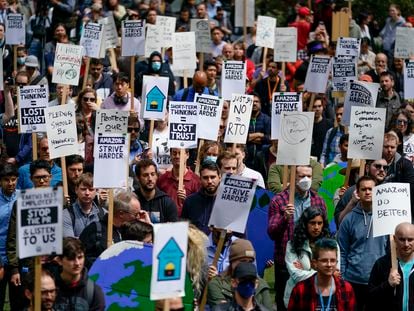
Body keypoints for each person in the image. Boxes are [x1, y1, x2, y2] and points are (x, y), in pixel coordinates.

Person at [268, 165, 326, 311]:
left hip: (310, 262)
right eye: (301, 176)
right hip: (284, 262)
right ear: (293, 178)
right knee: (285, 302)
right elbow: (272, 233)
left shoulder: (318, 200)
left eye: (309, 176)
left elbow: (324, 230)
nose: (305, 179)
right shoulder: (279, 201)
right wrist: (284, 218)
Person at [7, 160, 53, 310]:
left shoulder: (59, 202)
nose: (41, 180)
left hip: (50, 266)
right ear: (31, 179)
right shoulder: (21, 203)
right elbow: (13, 237)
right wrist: (14, 269)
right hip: (27, 266)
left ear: (50, 177)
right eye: (37, 177)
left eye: (45, 177)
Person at [338, 176, 388, 311]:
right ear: (357, 193)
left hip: (379, 281)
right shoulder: (348, 220)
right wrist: (341, 278)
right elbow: (342, 251)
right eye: (363, 189)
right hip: (353, 280)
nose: (367, 192)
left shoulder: (387, 217)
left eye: (371, 189)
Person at [80, 190, 148, 268]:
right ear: (121, 214)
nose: (138, 217)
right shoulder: (94, 230)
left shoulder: (132, 231)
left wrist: (146, 225)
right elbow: (85, 261)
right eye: (136, 214)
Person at [284, 206, 334, 307]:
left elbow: (335, 274)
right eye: (312, 223)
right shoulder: (292, 245)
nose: (316, 227)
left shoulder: (332, 245)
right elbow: (296, 275)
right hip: (298, 297)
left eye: (319, 223)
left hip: (323, 296)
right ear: (305, 224)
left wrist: (306, 272)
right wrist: (323, 272)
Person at [288, 238, 356, 310]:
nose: (329, 264)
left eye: (333, 260)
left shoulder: (346, 288)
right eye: (324, 260)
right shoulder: (300, 289)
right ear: (315, 263)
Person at [208, 239, 272, 309]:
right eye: (243, 261)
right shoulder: (217, 284)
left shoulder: (261, 285)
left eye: (250, 262)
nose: (246, 265)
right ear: (232, 262)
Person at [368, 222, 414, 311]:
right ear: (394, 239)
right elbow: (371, 297)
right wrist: (387, 284)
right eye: (402, 239)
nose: (406, 244)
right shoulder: (382, 264)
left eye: (410, 239)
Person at [53, 237, 105, 310]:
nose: (77, 263)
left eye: (80, 257)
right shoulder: (50, 288)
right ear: (59, 260)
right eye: (71, 258)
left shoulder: (94, 291)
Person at [334, 158, 389, 227]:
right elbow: (339, 222)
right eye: (377, 166)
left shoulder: (389, 192)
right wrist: (352, 202)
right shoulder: (352, 191)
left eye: (385, 167)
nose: (382, 170)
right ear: (367, 168)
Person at [182, 161, 221, 235]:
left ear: (219, 177)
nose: (209, 181)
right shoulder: (190, 201)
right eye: (205, 178)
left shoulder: (227, 202)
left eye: (213, 177)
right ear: (200, 179)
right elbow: (183, 231)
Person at [157, 148, 200, 216]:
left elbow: (198, 207)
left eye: (180, 153)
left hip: (186, 222)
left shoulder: (196, 180)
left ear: (187, 155)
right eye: (174, 153)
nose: (177, 156)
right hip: (166, 222)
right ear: (170, 155)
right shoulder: (162, 179)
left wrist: (187, 200)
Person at [62, 173, 106, 238]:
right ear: (76, 190)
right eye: (83, 189)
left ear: (96, 191)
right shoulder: (66, 215)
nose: (87, 193)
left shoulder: (104, 214)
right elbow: (70, 244)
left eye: (91, 189)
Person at [134, 159, 178, 223]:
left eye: (152, 174)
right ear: (138, 178)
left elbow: (174, 229)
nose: (150, 179)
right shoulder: (133, 200)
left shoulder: (167, 202)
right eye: (145, 175)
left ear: (157, 176)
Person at [0, 163, 18, 310]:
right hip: (0, 257)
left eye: (13, 179)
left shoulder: (23, 197)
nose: (11, 183)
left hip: (16, 260)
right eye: (7, 179)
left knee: (17, 302)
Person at [246, 93, 271, 172]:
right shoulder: (243, 119)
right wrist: (258, 134)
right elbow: (240, 137)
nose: (254, 103)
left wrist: (249, 138)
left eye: (257, 101)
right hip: (246, 159)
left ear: (260, 104)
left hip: (262, 160)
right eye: (252, 102)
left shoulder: (267, 119)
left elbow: (269, 138)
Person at [310, 95, 333, 162]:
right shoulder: (307, 125)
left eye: (319, 106)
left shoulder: (329, 124)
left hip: (325, 161)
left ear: (323, 107)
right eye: (314, 107)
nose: (317, 109)